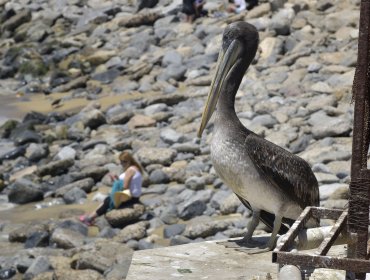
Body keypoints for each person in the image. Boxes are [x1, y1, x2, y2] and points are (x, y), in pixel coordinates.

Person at [80, 151, 143, 226]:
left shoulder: (130, 170)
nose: (122, 164)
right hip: (135, 197)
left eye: (124, 162)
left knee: (108, 201)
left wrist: (117, 186)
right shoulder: (135, 168)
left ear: (130, 160)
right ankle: (91, 216)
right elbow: (128, 184)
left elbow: (125, 187)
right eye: (121, 162)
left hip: (131, 198)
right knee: (107, 199)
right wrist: (116, 180)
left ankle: (89, 218)